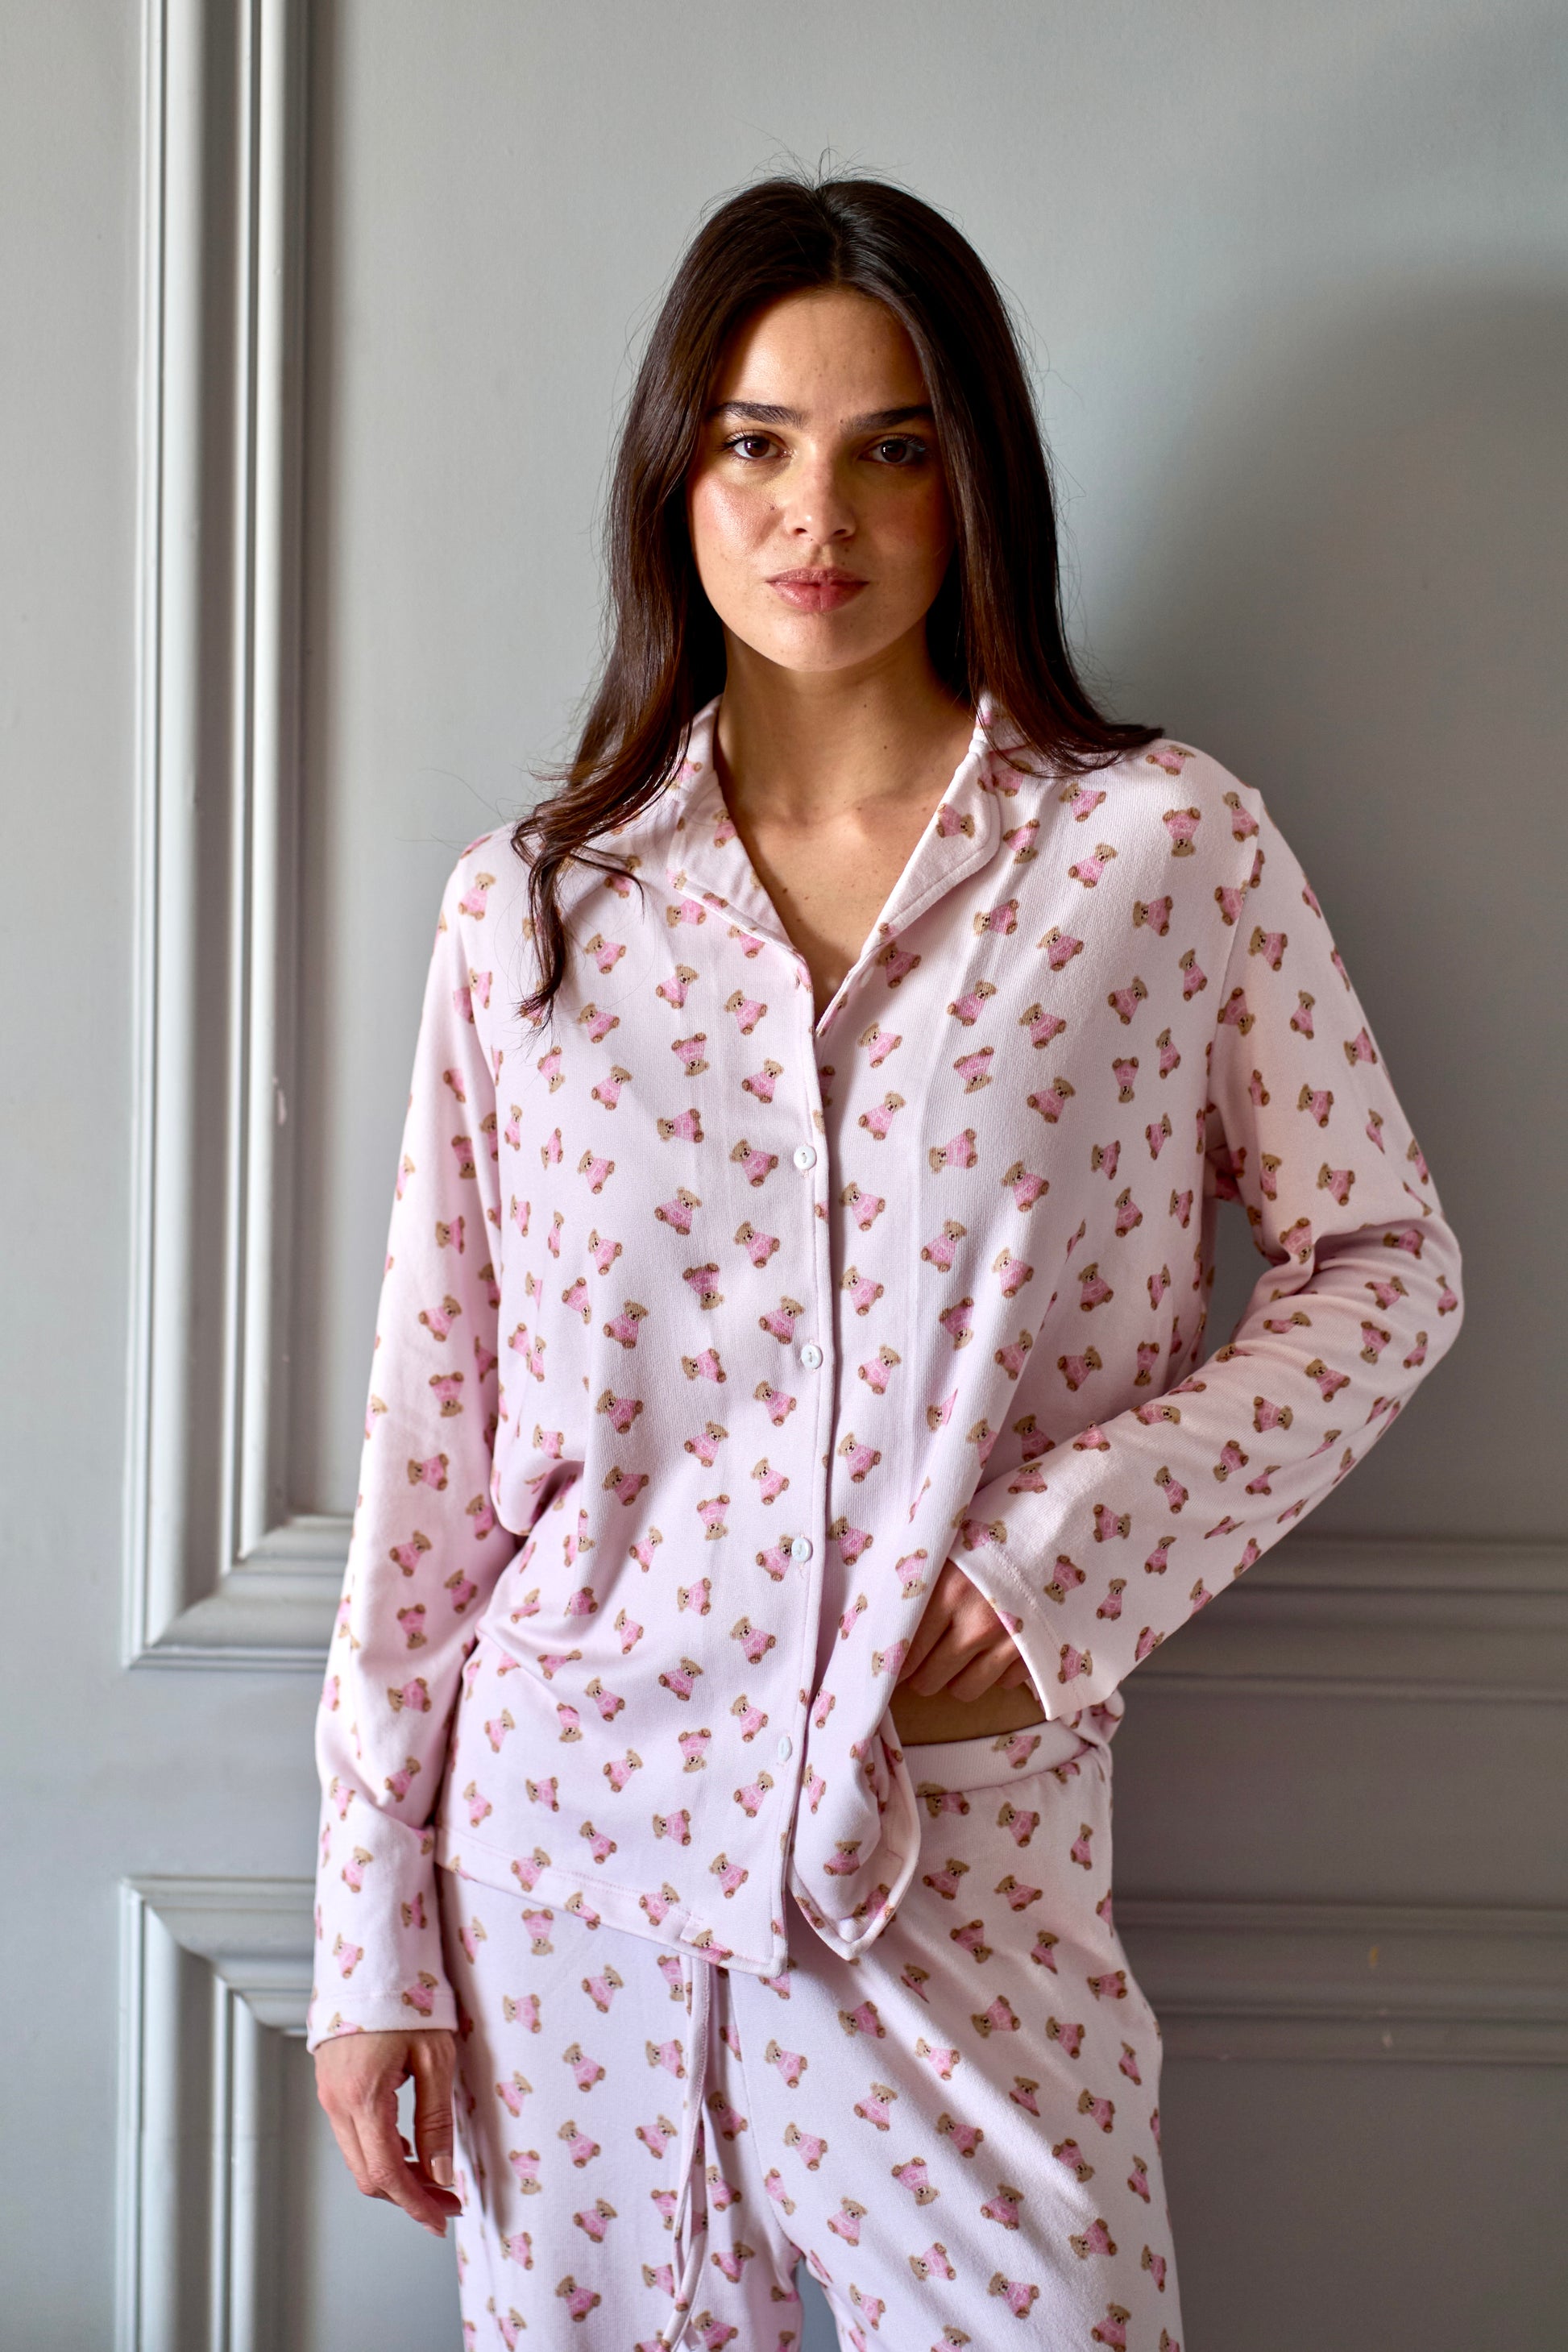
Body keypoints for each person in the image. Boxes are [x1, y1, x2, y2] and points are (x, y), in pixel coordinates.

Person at [309, 172, 1463, 2351]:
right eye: (753, 441)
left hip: (948, 1870)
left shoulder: (1155, 855)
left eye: (890, 447)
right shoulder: (534, 909)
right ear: (676, 478)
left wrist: (1056, 1572)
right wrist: (372, 1933)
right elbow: (434, 1445)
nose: (813, 512)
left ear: (973, 483)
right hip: (565, 1887)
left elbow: (1382, 1268)